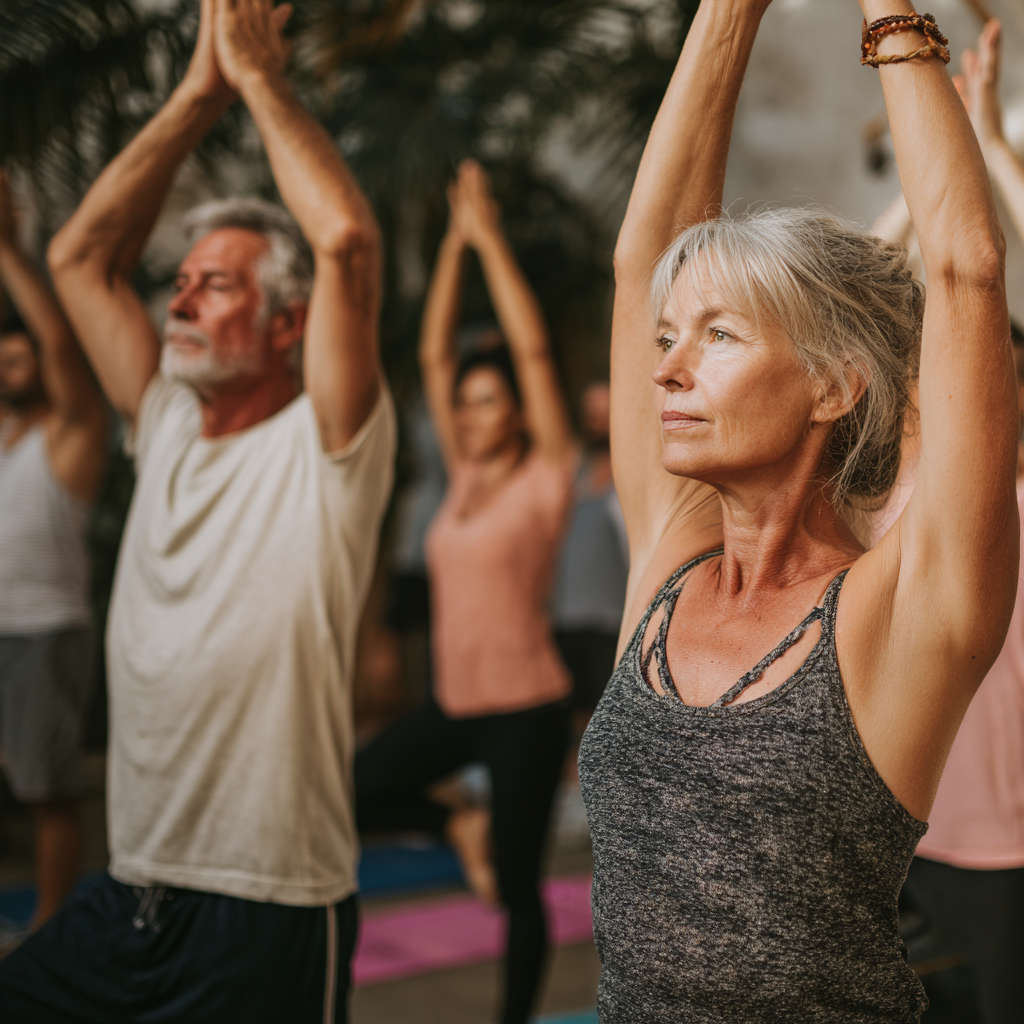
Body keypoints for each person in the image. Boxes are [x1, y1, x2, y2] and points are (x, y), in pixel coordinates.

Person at [577, 1, 1018, 1022]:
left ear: (833, 386)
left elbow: (965, 269)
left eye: (719, 335)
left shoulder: (900, 612)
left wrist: (889, 14)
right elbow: (645, 257)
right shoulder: (670, 561)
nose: (668, 369)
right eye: (668, 338)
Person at [0, 1, 394, 1021]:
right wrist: (195, 92)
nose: (177, 302)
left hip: (265, 905)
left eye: (213, 286)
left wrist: (258, 78)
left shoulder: (329, 443)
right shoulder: (165, 419)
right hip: (134, 887)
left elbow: (346, 240)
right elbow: (80, 259)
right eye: (178, 283)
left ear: (287, 324)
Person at [355, 158, 575, 1024]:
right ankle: (454, 820)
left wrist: (491, 244)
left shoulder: (546, 477)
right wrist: (453, 245)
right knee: (352, 792)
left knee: (518, 890)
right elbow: (433, 352)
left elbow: (533, 349)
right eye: (466, 405)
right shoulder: (462, 477)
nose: (473, 416)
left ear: (518, 411)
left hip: (525, 709)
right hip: (453, 704)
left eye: (489, 403)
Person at [891, 21, 1024, 1024]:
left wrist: (994, 152)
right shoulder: (901, 489)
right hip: (917, 840)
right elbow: (857, 277)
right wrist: (947, 162)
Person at [0, 172, 107, 940]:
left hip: (47, 631)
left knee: (47, 791)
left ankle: (48, 930)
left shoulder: (71, 435)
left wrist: (8, 249)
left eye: (18, 357)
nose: (7, 367)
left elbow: (63, 343)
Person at [554, 380, 629, 718]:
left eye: (605, 411)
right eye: (591, 413)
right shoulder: (570, 477)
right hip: (564, 619)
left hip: (612, 623)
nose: (597, 420)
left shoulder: (630, 480)